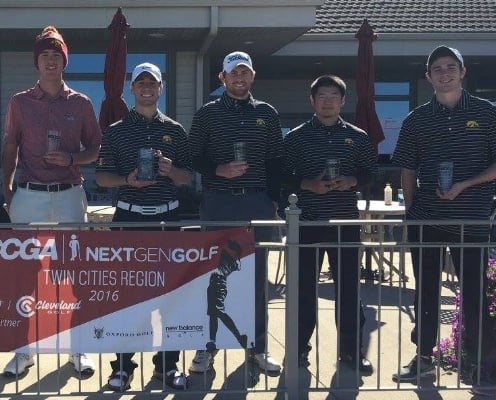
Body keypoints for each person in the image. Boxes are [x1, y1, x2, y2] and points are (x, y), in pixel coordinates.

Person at [391, 46, 496, 395]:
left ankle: (480, 364)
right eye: (437, 68)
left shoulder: (487, 113)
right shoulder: (416, 119)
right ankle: (423, 357)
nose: (444, 73)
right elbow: (407, 169)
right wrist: (411, 213)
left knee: (474, 295)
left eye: (451, 67)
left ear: (463, 72)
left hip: (472, 221)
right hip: (427, 220)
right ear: (428, 77)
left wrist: (465, 184)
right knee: (425, 294)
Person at [1, 25, 102, 377]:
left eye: (56, 55)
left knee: (73, 274)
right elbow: (10, 146)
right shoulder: (19, 101)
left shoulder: (81, 102)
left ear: (64, 61)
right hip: (29, 195)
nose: (50, 61)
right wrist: (7, 190)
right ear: (36, 62)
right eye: (44, 55)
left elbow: (96, 149)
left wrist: (73, 158)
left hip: (69, 194)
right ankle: (23, 350)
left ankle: (78, 349)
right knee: (24, 276)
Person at [95, 62, 192, 391]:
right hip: (129, 220)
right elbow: (101, 177)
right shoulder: (116, 130)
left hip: (167, 220)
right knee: (127, 296)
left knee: (171, 297)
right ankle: (123, 366)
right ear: (132, 88)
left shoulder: (176, 130)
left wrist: (170, 170)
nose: (147, 88)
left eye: (153, 83)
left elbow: (187, 177)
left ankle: (167, 366)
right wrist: (127, 180)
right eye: (141, 83)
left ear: (161, 88)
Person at [187, 51, 284, 374]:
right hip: (219, 202)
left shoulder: (267, 114)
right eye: (233, 73)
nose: (239, 78)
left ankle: (257, 347)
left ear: (252, 76)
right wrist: (219, 170)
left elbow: (276, 162)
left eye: (244, 72)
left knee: (257, 280)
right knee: (213, 277)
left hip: (257, 204)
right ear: (223, 77)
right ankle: (207, 347)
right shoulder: (207, 114)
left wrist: (274, 203)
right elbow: (192, 157)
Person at [283, 74, 376, 374]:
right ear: (312, 101)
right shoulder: (295, 137)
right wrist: (308, 184)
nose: (327, 101)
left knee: (349, 291)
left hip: (344, 223)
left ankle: (350, 352)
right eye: (322, 96)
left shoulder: (358, 137)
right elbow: (281, 178)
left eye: (333, 96)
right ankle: (298, 350)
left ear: (343, 101)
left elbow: (370, 173)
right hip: (307, 224)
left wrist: (352, 180)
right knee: (303, 293)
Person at [204, 240, 249, 360]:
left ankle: (239, 337)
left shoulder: (228, 258)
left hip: (219, 284)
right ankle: (212, 341)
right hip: (214, 284)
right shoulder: (229, 259)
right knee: (213, 314)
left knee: (218, 312)